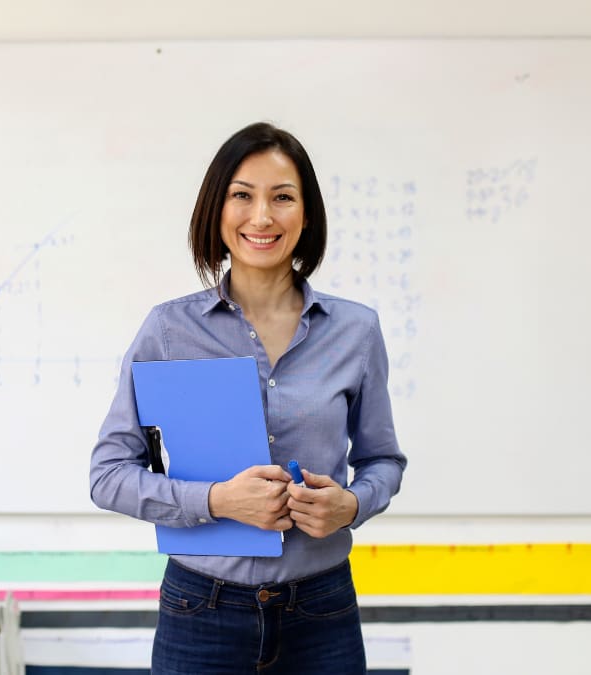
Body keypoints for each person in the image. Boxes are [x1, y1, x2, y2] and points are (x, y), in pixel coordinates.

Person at [89, 121, 406, 674]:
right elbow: (109, 475)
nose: (262, 216)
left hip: (322, 611)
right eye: (242, 195)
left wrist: (351, 505)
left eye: (282, 197)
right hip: (200, 612)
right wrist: (217, 501)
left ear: (306, 215)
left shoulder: (355, 331)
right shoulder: (167, 331)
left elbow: (382, 461)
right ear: (217, 210)